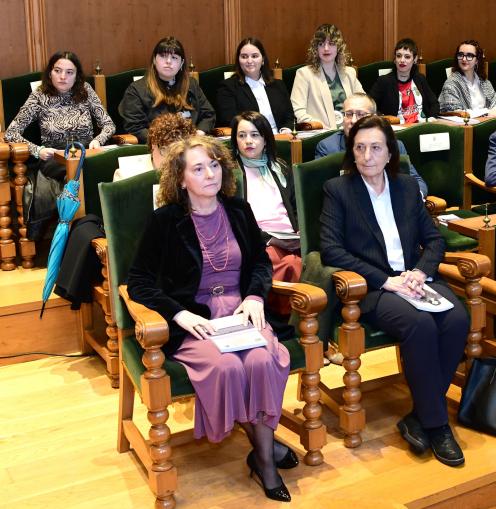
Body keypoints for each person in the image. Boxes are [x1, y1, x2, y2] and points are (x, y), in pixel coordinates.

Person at [127, 136, 299, 502]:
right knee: (228, 369)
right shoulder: (165, 221)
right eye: (198, 168)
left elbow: (259, 262)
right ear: (181, 178)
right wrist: (179, 312)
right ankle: (266, 457)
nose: (210, 174)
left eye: (215, 165)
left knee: (261, 360)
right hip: (196, 321)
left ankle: (263, 459)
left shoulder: (238, 210)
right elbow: (138, 282)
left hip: (240, 312)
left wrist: (255, 295)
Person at [319, 115, 470, 467]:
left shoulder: (405, 188)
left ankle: (419, 414)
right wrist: (386, 280)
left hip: (415, 279)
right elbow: (331, 250)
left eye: (375, 148)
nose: (367, 156)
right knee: (421, 326)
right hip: (374, 287)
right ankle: (436, 424)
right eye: (360, 148)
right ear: (351, 152)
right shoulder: (338, 190)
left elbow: (433, 239)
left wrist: (420, 271)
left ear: (390, 153)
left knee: (458, 319)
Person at [4, 50, 115, 238]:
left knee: (101, 167)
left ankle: (102, 230)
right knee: (80, 175)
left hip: (87, 152)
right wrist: (37, 150)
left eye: (69, 72)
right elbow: (11, 132)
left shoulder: (86, 90)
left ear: (77, 75)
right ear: (50, 73)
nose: (63, 76)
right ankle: (79, 235)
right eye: (58, 71)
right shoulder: (39, 96)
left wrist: (98, 140)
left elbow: (108, 125)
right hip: (56, 157)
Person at [229, 111, 301, 306]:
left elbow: (296, 208)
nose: (248, 141)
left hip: (291, 237)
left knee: (314, 261)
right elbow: (233, 220)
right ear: (235, 141)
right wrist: (266, 238)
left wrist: (301, 230)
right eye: (242, 135)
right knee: (290, 264)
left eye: (255, 135)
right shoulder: (230, 175)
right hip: (259, 239)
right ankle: (291, 321)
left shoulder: (281, 168)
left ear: (266, 139)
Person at [314, 93, 427, 197]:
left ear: (373, 118)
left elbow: (417, 183)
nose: (353, 120)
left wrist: (413, 200)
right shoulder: (328, 147)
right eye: (348, 114)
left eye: (360, 114)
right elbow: (323, 192)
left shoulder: (394, 145)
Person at [119, 36, 216, 144]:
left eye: (174, 57)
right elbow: (135, 127)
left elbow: (208, 115)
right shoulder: (136, 90)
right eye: (163, 56)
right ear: (154, 60)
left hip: (192, 145)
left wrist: (199, 133)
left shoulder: (191, 84)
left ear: (181, 63)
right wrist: (165, 142)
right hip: (158, 147)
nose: (169, 61)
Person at [290, 23, 364, 130]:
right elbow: (298, 110)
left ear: (339, 47)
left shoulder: (349, 73)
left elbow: (364, 103)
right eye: (321, 44)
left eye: (331, 44)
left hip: (351, 130)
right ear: (315, 48)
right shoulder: (304, 74)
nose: (326, 48)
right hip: (321, 133)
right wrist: (319, 127)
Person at [216, 37, 295, 132]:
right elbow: (229, 120)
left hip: (281, 137)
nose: (249, 61)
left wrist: (286, 130)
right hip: (250, 139)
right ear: (238, 60)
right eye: (244, 57)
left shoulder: (278, 85)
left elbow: (290, 117)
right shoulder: (227, 87)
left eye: (254, 56)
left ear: (263, 60)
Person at [368, 38, 438, 123]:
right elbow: (369, 106)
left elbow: (434, 103)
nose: (402, 60)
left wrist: (431, 119)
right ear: (395, 59)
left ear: (415, 59)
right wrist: (385, 119)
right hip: (396, 129)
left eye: (407, 57)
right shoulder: (384, 81)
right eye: (399, 56)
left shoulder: (420, 79)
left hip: (420, 126)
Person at [438, 40, 496, 116]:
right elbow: (457, 113)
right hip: (462, 126)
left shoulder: (485, 82)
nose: (464, 59)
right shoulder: (451, 84)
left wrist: (485, 113)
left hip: (487, 125)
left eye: (469, 56)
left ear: (477, 60)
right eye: (461, 55)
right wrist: (487, 112)